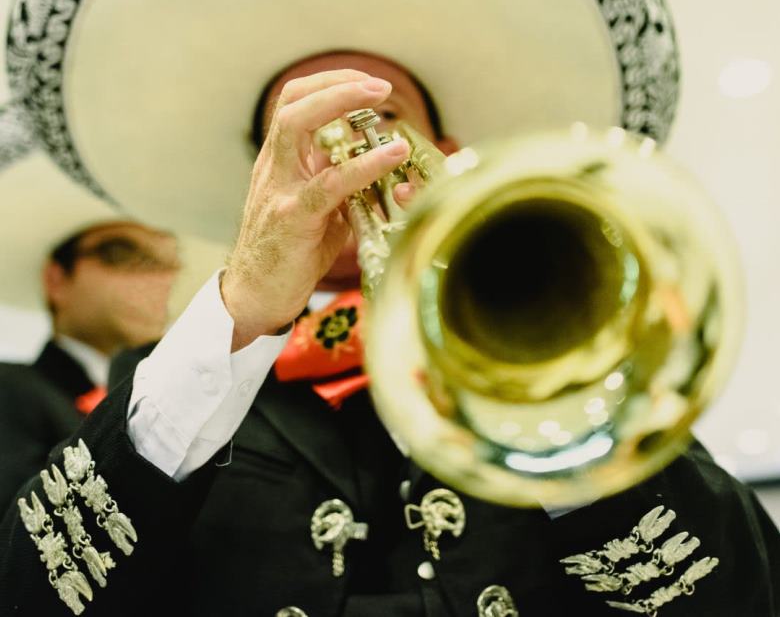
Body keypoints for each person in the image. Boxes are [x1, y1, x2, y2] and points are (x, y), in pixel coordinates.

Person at [0, 53, 777, 617]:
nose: (348, 159)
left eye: (385, 119)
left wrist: (534, 376)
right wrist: (239, 308)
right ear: (261, 183)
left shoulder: (569, 359)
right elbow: (31, 593)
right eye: (302, 131)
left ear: (445, 151)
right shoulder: (163, 377)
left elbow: (741, 595)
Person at [0, 221, 179, 512]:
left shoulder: (172, 397)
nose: (161, 276)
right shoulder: (12, 388)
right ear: (56, 279)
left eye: (170, 263)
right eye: (121, 253)